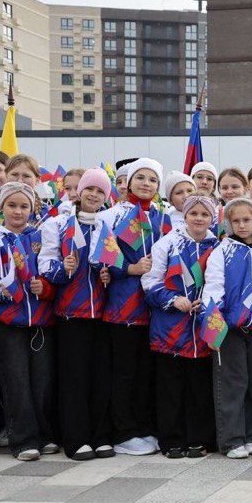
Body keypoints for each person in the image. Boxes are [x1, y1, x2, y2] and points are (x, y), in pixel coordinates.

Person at [0, 183, 57, 461]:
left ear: (32, 208)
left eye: (24, 206)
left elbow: (52, 271)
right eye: (12, 205)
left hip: (40, 321)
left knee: (42, 381)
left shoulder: (41, 237)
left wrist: (45, 288)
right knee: (16, 381)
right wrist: (0, 289)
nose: (18, 211)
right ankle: (22, 439)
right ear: (2, 207)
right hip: (6, 321)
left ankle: (44, 434)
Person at [40, 168, 114, 461]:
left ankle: (100, 435)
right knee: (74, 378)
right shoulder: (58, 224)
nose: (94, 195)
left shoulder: (108, 224)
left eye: (100, 191)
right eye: (89, 189)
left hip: (103, 314)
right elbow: (45, 264)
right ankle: (75, 438)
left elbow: (116, 261)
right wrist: (64, 268)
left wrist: (109, 274)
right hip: (71, 313)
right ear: (79, 191)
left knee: (101, 378)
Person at [142, 195, 221, 459]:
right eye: (194, 213)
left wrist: (208, 304)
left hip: (202, 330)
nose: (199, 218)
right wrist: (174, 300)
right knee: (170, 388)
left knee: (199, 387)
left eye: (205, 214)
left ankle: (199, 438)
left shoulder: (218, 246)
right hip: (170, 330)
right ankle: (171, 440)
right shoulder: (167, 243)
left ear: (212, 218)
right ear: (184, 216)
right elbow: (150, 282)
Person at [99, 159, 169, 457]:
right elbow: (101, 259)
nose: (146, 184)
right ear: (127, 182)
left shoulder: (163, 219)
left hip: (154, 309)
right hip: (123, 308)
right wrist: (130, 268)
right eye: (140, 177)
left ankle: (142, 427)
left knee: (145, 373)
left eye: (152, 180)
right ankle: (123, 432)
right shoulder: (111, 215)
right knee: (124, 373)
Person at [202, 197, 252, 459]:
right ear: (228, 224)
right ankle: (231, 439)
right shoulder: (222, 251)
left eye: (247, 220)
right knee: (232, 383)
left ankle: (250, 433)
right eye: (236, 221)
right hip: (229, 328)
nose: (242, 225)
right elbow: (213, 289)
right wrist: (213, 328)